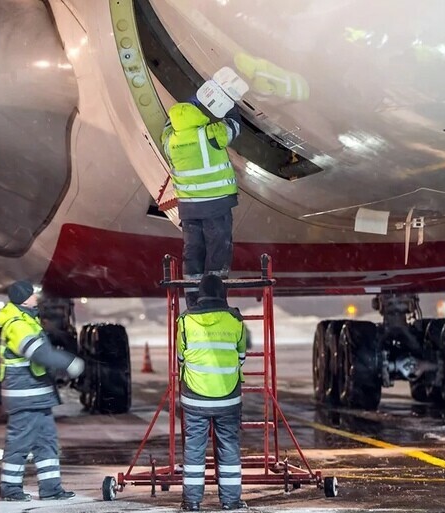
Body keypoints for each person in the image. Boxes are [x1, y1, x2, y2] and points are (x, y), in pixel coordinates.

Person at [0, 280, 85, 502]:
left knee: (46, 442)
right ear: (25, 299)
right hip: (24, 396)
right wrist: (68, 362)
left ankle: (51, 489)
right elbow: (38, 353)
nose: (37, 297)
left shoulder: (28, 320)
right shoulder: (17, 324)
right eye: (33, 294)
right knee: (19, 444)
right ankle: (10, 489)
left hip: (36, 395)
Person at [161, 98, 242, 307]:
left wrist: (186, 107)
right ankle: (214, 299)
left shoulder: (170, 141)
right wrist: (229, 103)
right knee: (217, 253)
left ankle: (194, 302)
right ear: (196, 115)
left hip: (189, 210)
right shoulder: (209, 134)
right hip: (216, 206)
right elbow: (234, 124)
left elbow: (167, 127)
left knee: (193, 255)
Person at [177, 275, 247, 511]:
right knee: (228, 448)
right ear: (223, 294)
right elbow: (241, 357)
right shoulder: (235, 320)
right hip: (228, 398)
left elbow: (180, 357)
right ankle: (230, 501)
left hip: (194, 397)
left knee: (194, 450)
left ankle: (192, 502)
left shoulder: (185, 320)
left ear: (199, 294)